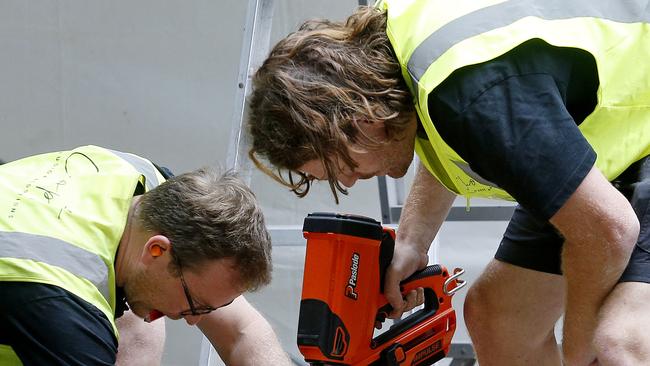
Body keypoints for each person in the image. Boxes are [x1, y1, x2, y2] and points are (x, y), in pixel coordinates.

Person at [246, 1, 650, 365]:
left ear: (363, 119)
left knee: (620, 343)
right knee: (498, 319)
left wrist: (580, 352)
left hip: (640, 125)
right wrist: (411, 242)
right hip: (598, 139)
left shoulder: (474, 97)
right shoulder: (402, 61)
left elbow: (609, 232)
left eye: (342, 168)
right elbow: (454, 132)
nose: (351, 181)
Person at [0, 145, 291, 365]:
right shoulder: (62, 301)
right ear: (157, 250)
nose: (192, 321)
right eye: (195, 305)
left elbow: (242, 330)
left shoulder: (152, 189)